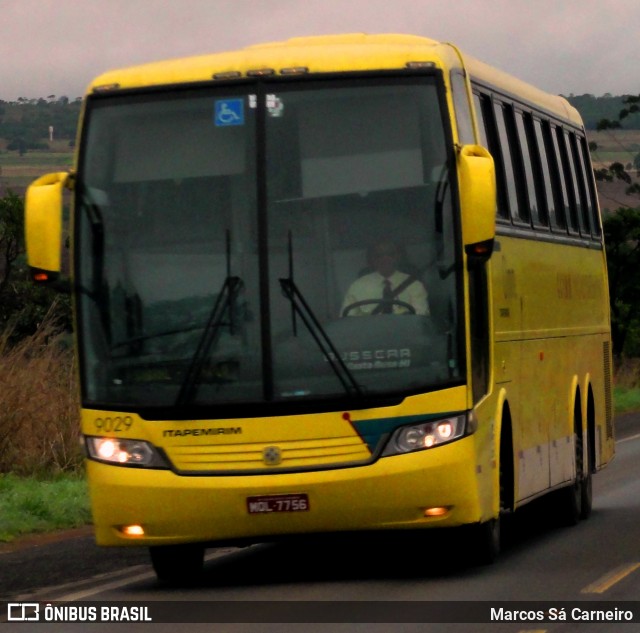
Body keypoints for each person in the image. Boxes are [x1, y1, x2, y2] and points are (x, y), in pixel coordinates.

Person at [341, 241, 429, 317]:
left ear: (398, 256)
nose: (385, 258)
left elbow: (420, 320)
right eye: (379, 255)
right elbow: (347, 321)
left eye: (390, 254)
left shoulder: (414, 285)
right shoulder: (357, 286)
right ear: (372, 259)